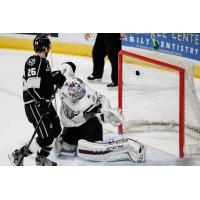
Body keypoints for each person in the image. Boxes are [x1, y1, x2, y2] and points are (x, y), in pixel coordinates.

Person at [53, 62, 145, 163]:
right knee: (65, 148)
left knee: (91, 151)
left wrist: (105, 110)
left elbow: (98, 98)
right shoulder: (62, 87)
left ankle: (129, 145)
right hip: (72, 126)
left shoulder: (75, 84)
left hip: (89, 126)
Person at [9, 34, 66, 166]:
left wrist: (55, 77)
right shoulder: (33, 61)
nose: (49, 49)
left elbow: (43, 81)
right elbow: (31, 87)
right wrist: (40, 101)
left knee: (56, 130)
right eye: (48, 46)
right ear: (45, 47)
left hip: (44, 103)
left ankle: (41, 158)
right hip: (34, 104)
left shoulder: (43, 62)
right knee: (46, 137)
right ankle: (19, 154)